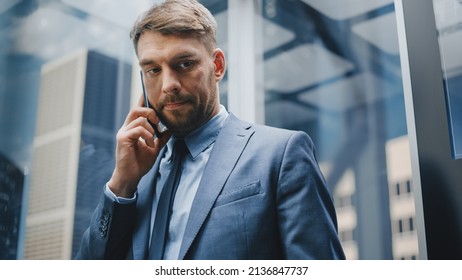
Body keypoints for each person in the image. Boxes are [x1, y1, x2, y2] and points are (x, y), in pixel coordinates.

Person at [76, 0, 345, 260]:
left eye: (184, 64)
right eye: (153, 70)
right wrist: (122, 183)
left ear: (217, 66)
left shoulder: (281, 154)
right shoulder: (135, 178)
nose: (168, 84)